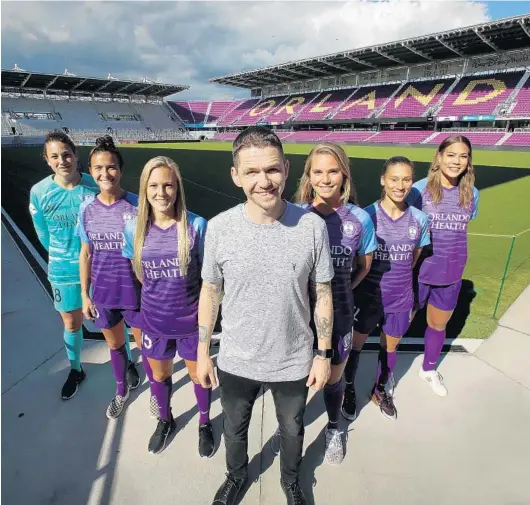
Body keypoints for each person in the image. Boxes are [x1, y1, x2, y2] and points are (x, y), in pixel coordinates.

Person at [197, 126, 334, 505]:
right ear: (236, 176)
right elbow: (211, 291)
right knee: (235, 429)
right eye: (252, 172)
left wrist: (323, 354)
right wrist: (201, 351)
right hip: (236, 358)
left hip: (293, 359)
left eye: (272, 170)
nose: (264, 181)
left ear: (287, 169)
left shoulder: (312, 227)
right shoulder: (220, 229)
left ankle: (290, 481)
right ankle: (236, 476)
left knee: (292, 430)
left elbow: (322, 293)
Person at [29, 131, 138, 400]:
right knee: (71, 321)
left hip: (101, 269)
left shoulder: (93, 186)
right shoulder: (39, 192)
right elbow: (42, 233)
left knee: (114, 317)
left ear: (76, 156)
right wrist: (64, 255)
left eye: (66, 154)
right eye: (54, 156)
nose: (62, 160)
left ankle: (128, 363)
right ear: (47, 160)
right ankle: (76, 369)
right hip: (63, 271)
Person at [122, 156, 214, 456]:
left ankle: (203, 422)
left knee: (200, 376)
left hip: (190, 324)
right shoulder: (133, 230)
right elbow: (138, 275)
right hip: (155, 324)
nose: (161, 192)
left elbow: (208, 281)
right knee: (159, 377)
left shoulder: (197, 226)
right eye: (154, 185)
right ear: (144, 188)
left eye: (168, 185)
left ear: (178, 188)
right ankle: (166, 419)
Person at [292, 142, 377, 464]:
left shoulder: (359, 219)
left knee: (332, 378)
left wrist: (343, 291)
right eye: (318, 172)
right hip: (298, 315)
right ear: (308, 176)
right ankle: (291, 430)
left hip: (339, 314)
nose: (326, 179)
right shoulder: (295, 215)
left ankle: (333, 427)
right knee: (294, 378)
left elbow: (364, 266)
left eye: (332, 171)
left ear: (344, 174)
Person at [342, 156, 430, 421]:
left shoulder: (419, 219)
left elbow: (413, 259)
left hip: (400, 297)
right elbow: (360, 262)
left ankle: (380, 390)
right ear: (383, 180)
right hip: (368, 296)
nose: (400, 185)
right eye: (394, 179)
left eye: (406, 179)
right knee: (354, 347)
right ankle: (348, 390)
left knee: (390, 347)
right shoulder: (367, 216)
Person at [407, 136, 479, 396]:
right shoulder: (418, 190)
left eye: (463, 156)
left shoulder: (472, 193)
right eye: (451, 154)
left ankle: (428, 369)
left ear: (468, 161)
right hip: (418, 273)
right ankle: (385, 376)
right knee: (397, 325)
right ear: (439, 156)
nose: (456, 161)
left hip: (451, 273)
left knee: (438, 326)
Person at [78, 136, 144, 419]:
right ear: (91, 171)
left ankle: (156, 391)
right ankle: (121, 390)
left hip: (136, 293)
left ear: (121, 168)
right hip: (104, 294)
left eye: (111, 167)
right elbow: (86, 253)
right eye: (98, 168)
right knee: (116, 345)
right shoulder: (86, 208)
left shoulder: (138, 205)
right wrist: (84, 293)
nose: (105, 174)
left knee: (146, 347)